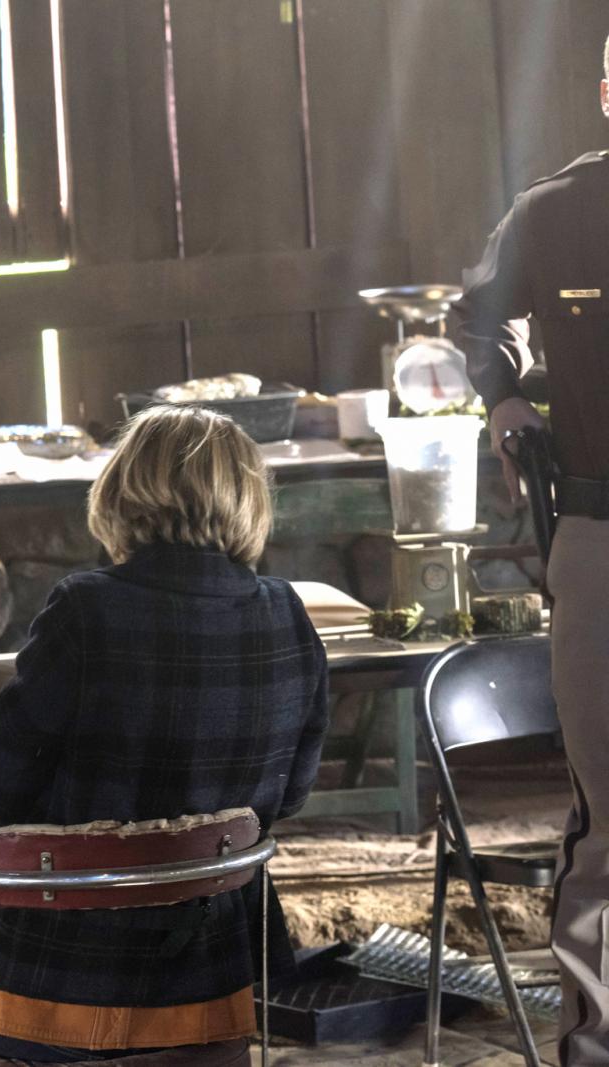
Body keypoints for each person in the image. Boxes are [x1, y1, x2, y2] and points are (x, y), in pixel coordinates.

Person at [0, 406, 328, 1061]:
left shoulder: (85, 608)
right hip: (213, 995)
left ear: (121, 492)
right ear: (249, 500)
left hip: (60, 988)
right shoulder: (287, 611)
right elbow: (289, 796)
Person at [449, 38, 609, 1064]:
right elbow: (475, 314)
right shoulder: (553, 213)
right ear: (607, 92)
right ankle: (596, 1046)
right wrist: (503, 394)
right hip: (600, 536)